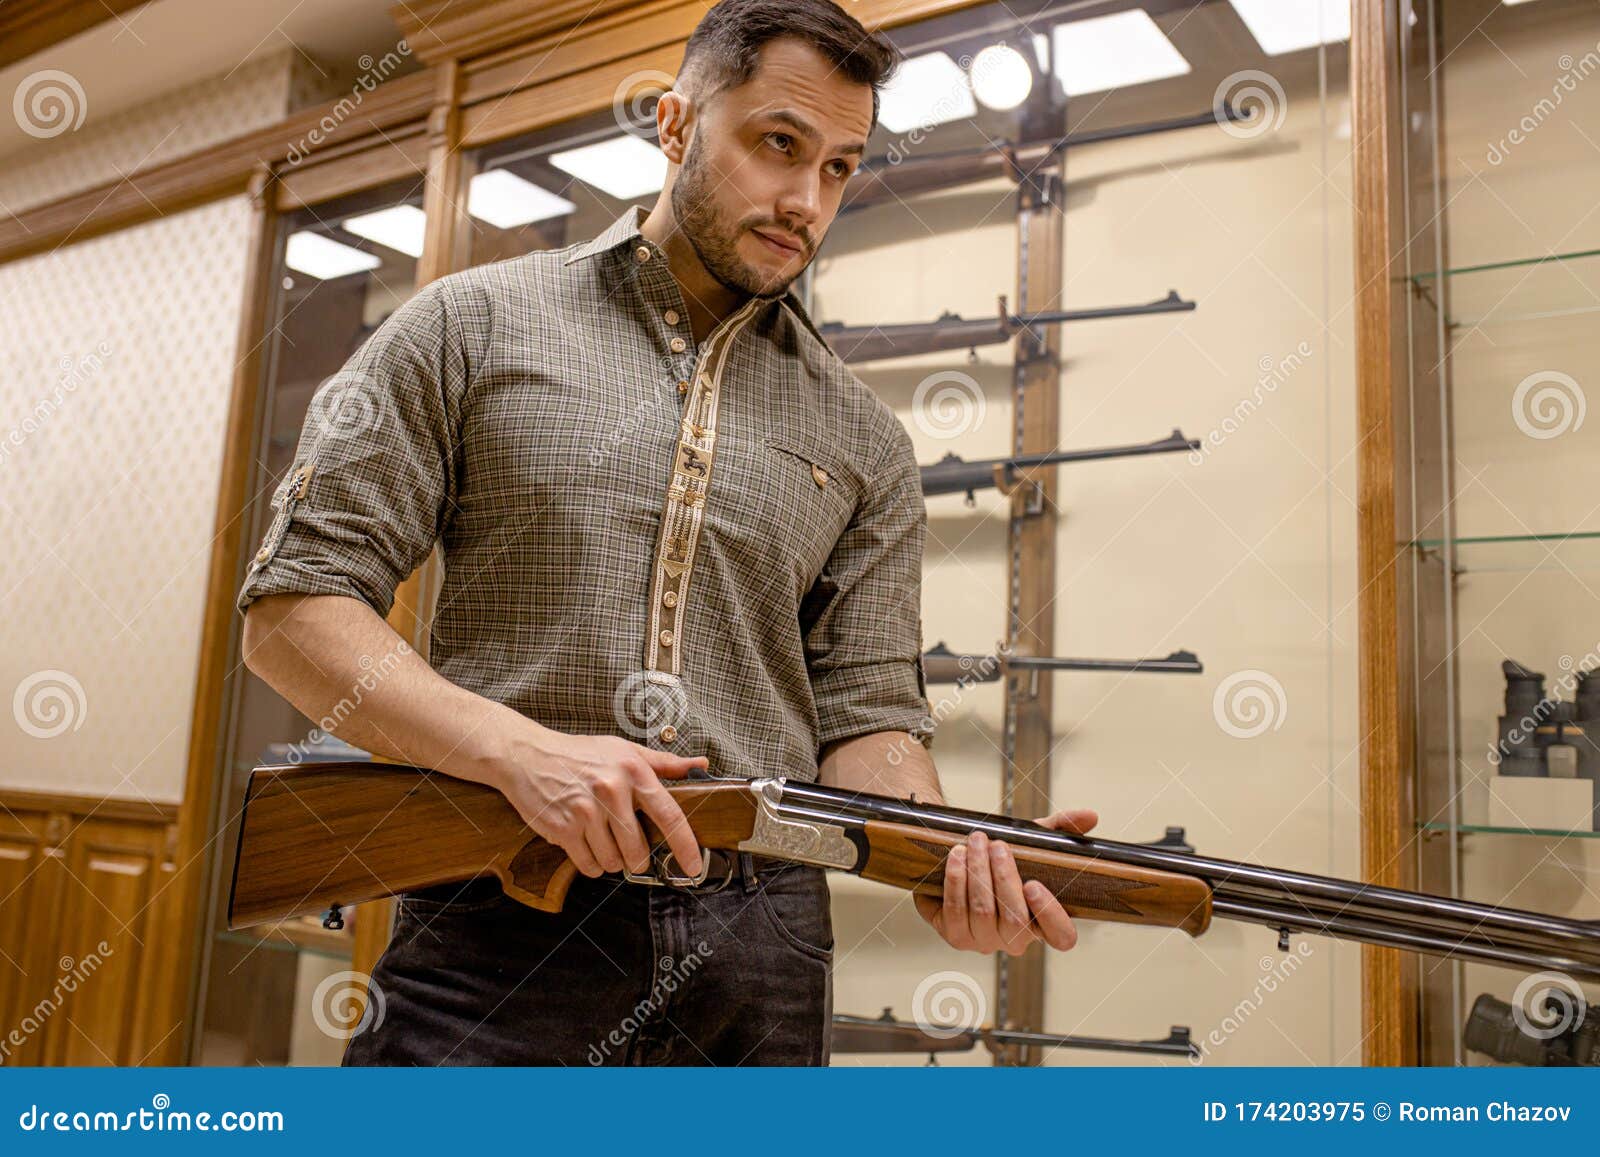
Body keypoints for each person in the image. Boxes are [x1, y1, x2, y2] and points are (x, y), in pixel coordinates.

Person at [238, 0, 1095, 1066]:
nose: (805, 199)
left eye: (838, 166)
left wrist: (951, 852)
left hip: (765, 948)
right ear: (675, 124)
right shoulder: (465, 324)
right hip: (497, 922)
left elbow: (869, 713)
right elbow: (291, 612)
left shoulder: (866, 437)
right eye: (778, 145)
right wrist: (520, 753)